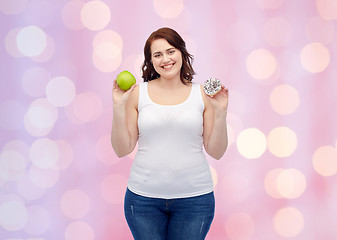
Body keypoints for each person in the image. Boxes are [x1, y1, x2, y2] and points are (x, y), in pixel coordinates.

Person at [111, 27, 228, 240]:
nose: (166, 59)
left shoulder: (202, 94)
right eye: (157, 54)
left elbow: (216, 152)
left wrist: (220, 113)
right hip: (143, 201)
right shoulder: (137, 93)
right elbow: (122, 149)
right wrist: (119, 107)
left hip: (195, 201)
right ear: (150, 61)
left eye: (171, 51)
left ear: (182, 53)